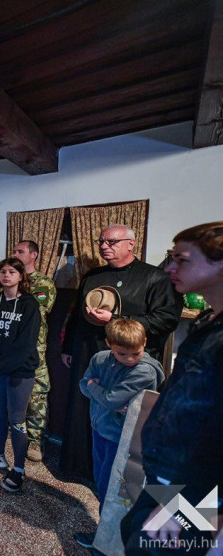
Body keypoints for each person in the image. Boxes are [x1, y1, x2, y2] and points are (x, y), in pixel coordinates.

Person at [121, 221, 223, 555]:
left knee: (154, 548)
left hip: (196, 485)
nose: (169, 268)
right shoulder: (208, 320)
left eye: (183, 259)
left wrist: (187, 505)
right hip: (171, 470)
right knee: (134, 532)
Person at [61, 224, 181, 480]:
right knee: (83, 408)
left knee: (120, 415)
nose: (104, 246)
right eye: (102, 242)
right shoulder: (92, 276)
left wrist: (116, 319)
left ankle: (116, 481)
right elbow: (77, 316)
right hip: (89, 352)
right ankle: (80, 469)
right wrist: (68, 346)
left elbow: (166, 320)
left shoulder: (155, 278)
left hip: (128, 362)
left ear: (131, 244)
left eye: (112, 242)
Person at [73, 318, 163, 549]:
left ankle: (105, 541)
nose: (130, 359)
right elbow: (82, 384)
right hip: (100, 429)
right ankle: (107, 535)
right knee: (102, 483)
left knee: (113, 490)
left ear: (144, 343)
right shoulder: (100, 358)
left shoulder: (145, 371)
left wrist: (94, 387)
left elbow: (110, 399)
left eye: (136, 353)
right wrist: (96, 390)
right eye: (122, 354)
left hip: (123, 439)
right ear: (109, 344)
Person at [0, 240, 56, 464]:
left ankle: (34, 440)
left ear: (34, 255)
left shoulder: (43, 283)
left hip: (33, 347)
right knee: (2, 392)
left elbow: (39, 311)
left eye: (20, 251)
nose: (15, 254)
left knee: (36, 394)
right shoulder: (1, 282)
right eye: (14, 251)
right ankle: (2, 429)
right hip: (2, 345)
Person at [0, 257, 41, 493]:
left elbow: (25, 346)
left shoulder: (29, 306)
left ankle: (19, 469)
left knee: (16, 420)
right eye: (3, 271)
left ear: (21, 276)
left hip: (18, 373)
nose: (6, 275)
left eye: (12, 271)